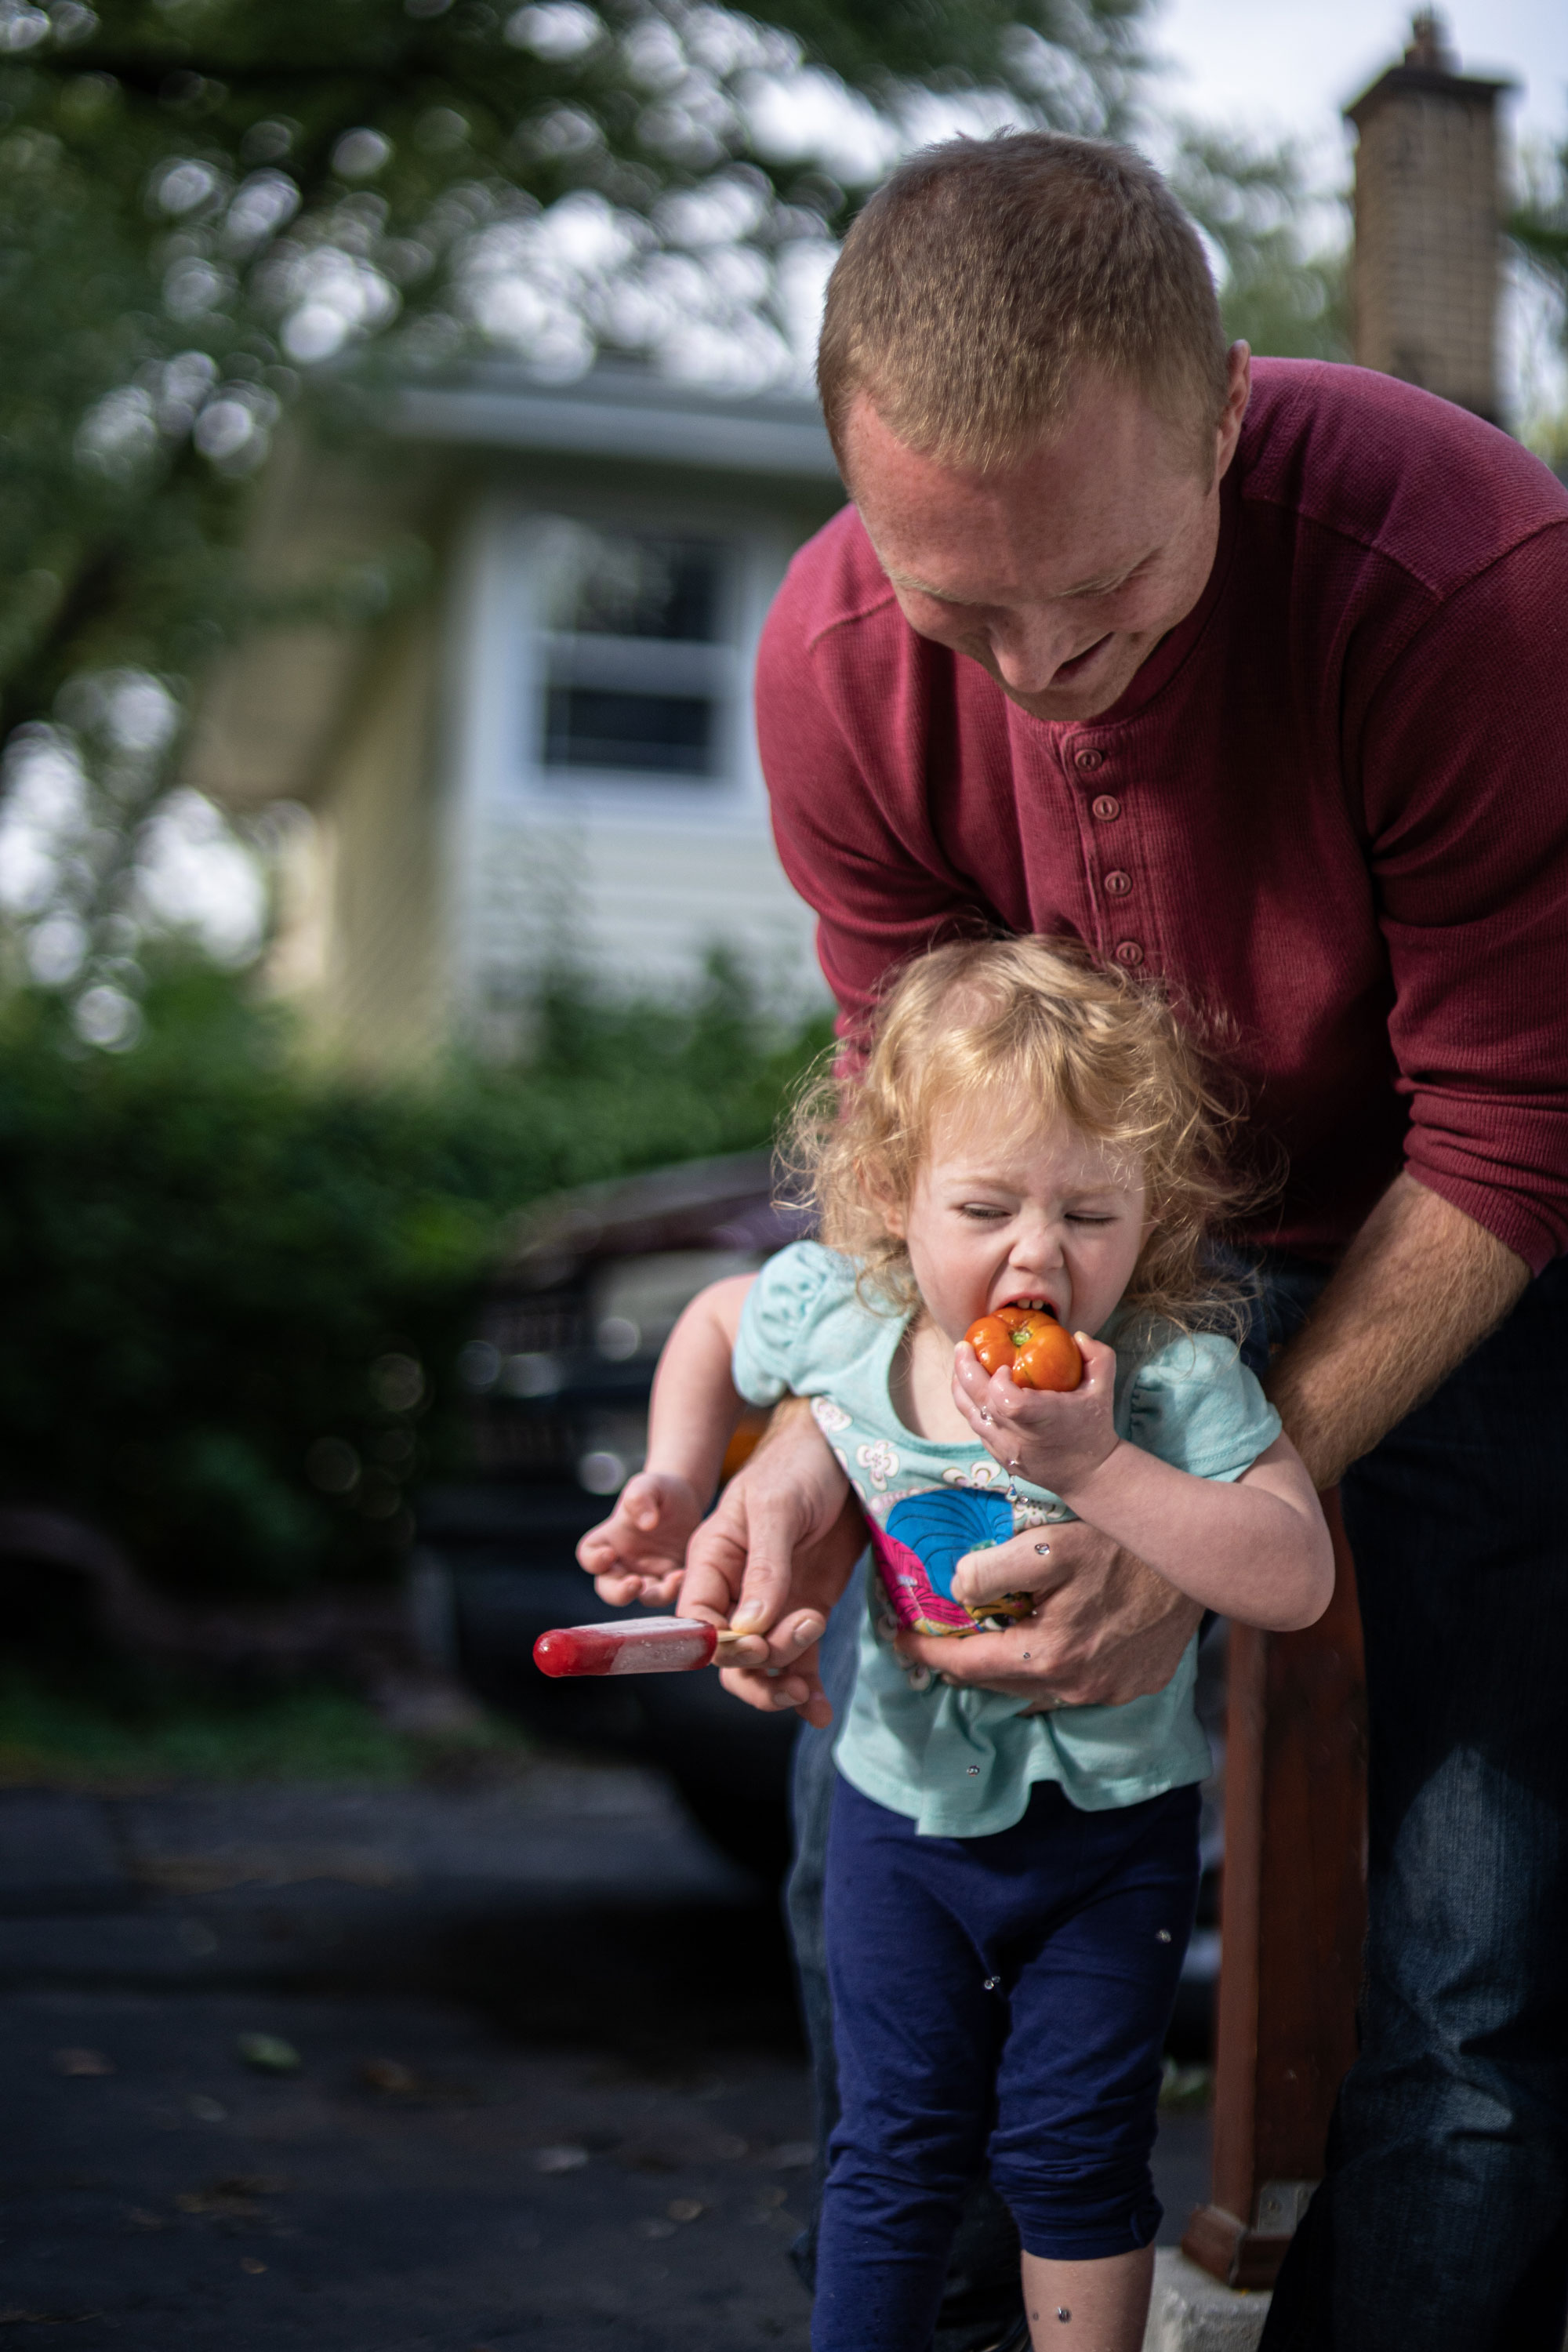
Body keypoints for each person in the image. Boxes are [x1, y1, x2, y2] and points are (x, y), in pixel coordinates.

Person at [669, 132, 1568, 2352]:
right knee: (868, 1813)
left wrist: (1205, 1508)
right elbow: (921, 1165)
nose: (1050, 663)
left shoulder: (1467, 579)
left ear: (1231, 420)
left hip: (1464, 1222)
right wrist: (816, 1447)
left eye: (1110, 588)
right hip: (1075, 1238)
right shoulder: (830, 662)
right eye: (970, 608)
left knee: (1479, 1923)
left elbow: (1522, 1124)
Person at [581, 936, 1334, 2352]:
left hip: (1111, 1843)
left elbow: (1293, 1573)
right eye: (986, 1204)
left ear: (1154, 1215)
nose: (1039, 1251)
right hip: (897, 1823)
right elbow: (710, 1321)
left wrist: (1105, 1469)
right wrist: (681, 1481)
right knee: (893, 2149)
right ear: (893, 1198)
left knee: (1075, 2158)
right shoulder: (852, 1323)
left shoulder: (1169, 1378)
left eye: (1092, 1214)